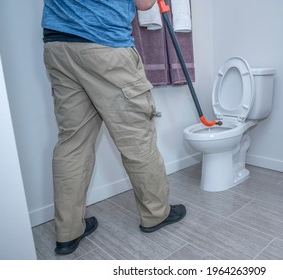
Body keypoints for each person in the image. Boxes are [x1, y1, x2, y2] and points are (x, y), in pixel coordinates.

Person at [41, 0, 186, 255]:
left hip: (58, 46)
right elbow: (143, 3)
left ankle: (68, 231)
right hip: (104, 44)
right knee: (136, 139)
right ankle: (156, 214)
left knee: (72, 142)